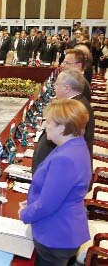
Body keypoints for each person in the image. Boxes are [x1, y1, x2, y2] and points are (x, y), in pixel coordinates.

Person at [20, 99, 91, 266]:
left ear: (62, 126)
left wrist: (25, 213)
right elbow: (58, 192)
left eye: (48, 122)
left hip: (56, 236)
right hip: (65, 228)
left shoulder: (65, 158)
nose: (45, 126)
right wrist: (32, 201)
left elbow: (47, 204)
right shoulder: (75, 146)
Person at [32, 68, 94, 174]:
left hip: (59, 170)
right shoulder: (76, 102)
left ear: (67, 88)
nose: (54, 88)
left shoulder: (73, 109)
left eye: (56, 84)